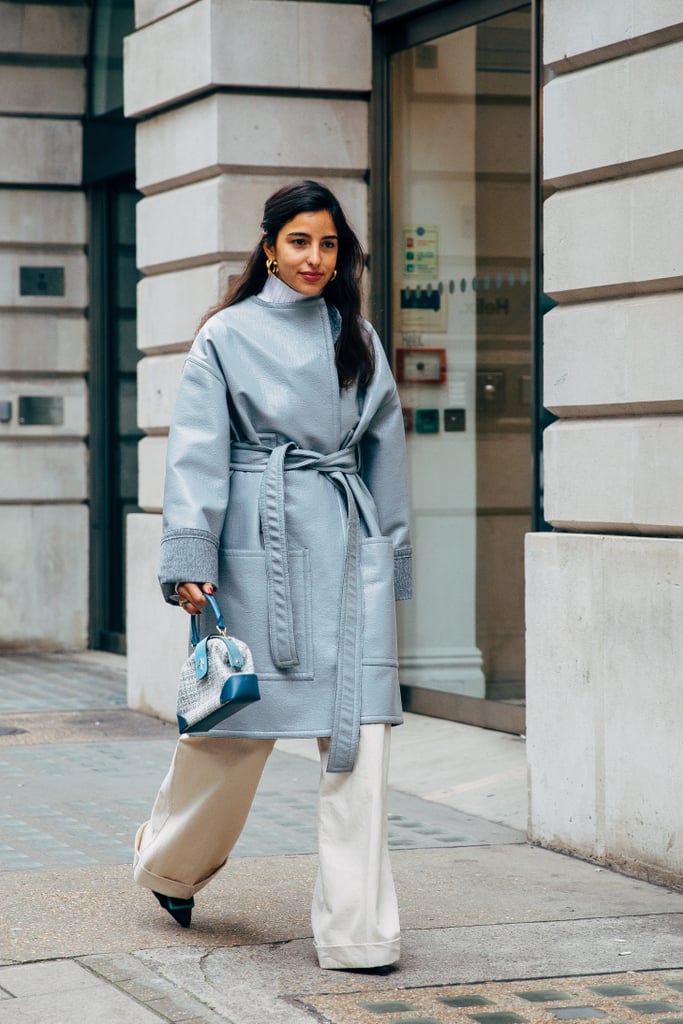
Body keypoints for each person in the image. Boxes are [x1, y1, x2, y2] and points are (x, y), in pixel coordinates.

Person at [133, 179, 412, 974]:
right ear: (268, 247)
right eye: (299, 242)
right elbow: (195, 451)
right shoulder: (224, 334)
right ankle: (169, 867)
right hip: (257, 548)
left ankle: (360, 932)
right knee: (230, 734)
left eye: (328, 244)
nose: (314, 258)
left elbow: (384, 453)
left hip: (347, 546)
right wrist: (190, 561)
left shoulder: (354, 335)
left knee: (360, 746)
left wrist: (389, 563)